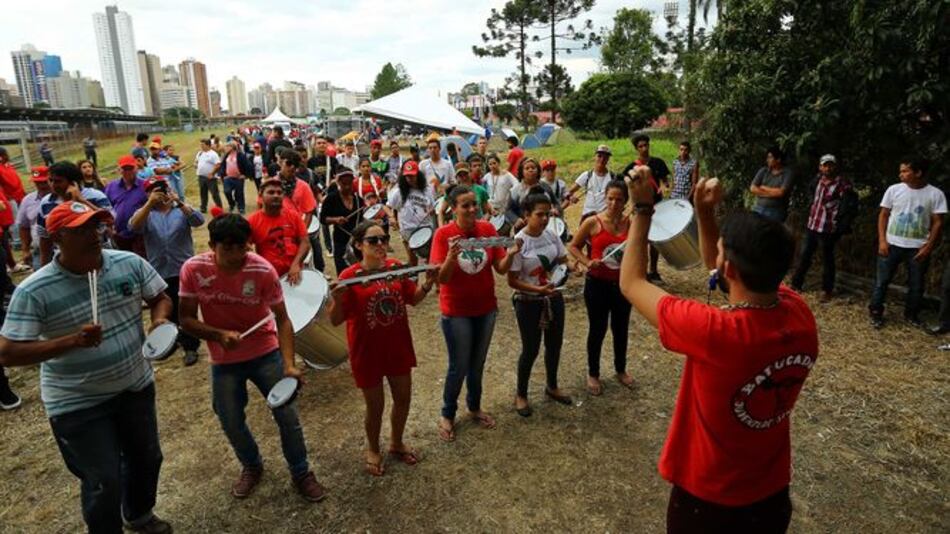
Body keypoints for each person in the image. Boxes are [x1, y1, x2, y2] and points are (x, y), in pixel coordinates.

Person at [619, 169, 818, 534]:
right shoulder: (800, 315)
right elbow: (723, 271)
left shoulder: (715, 333)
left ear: (728, 267)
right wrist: (705, 214)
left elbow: (631, 282)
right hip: (771, 495)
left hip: (708, 502)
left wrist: (644, 208)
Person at [0, 201, 174, 534]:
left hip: (135, 385)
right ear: (58, 237)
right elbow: (7, 353)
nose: (95, 235)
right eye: (82, 229)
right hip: (77, 401)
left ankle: (138, 514)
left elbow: (160, 297)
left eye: (96, 226)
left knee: (147, 459)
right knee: (103, 479)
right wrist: (71, 341)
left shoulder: (129, 264)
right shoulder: (34, 289)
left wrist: (160, 320)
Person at [178, 214, 326, 502]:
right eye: (227, 249)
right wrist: (219, 335)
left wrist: (289, 364)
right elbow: (185, 319)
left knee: (287, 416)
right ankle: (252, 465)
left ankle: (301, 471)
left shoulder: (262, 269)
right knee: (230, 420)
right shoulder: (193, 269)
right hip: (224, 360)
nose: (235, 256)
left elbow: (283, 320)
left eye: (242, 248)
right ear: (212, 245)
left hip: (265, 352)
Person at [328, 220, 435, 476]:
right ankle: (373, 448)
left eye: (384, 239)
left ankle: (396, 443)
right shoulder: (349, 276)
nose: (380, 244)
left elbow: (414, 299)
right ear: (357, 245)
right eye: (373, 240)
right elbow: (335, 319)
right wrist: (338, 299)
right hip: (367, 351)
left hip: (397, 346)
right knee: (375, 406)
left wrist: (428, 283)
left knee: (403, 399)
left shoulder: (396, 268)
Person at [429, 185, 517, 442]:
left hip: (486, 308)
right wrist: (451, 257)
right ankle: (448, 413)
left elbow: (500, 268)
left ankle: (474, 407)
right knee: (459, 366)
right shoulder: (443, 235)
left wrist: (510, 255)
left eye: (474, 204)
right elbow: (441, 279)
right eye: (465, 205)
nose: (471, 209)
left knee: (477, 364)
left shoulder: (488, 230)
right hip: (456, 312)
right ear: (453, 208)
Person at [507, 188, 571, 417]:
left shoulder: (552, 235)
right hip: (528, 303)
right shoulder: (519, 242)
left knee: (554, 344)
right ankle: (521, 394)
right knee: (531, 349)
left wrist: (573, 269)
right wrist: (538, 289)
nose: (545, 219)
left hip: (554, 298)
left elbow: (563, 260)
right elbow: (512, 281)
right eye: (539, 214)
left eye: (547, 214)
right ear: (526, 214)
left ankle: (552, 386)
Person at [129, 176, 205, 367]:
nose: (160, 193)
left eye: (162, 188)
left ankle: (190, 346)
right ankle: (172, 340)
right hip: (160, 271)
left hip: (182, 269)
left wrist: (179, 202)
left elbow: (198, 221)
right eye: (154, 190)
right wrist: (149, 204)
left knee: (185, 309)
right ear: (147, 193)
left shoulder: (179, 210)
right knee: (167, 308)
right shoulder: (145, 213)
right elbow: (133, 227)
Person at [567, 180, 634, 395]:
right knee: (597, 328)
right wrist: (587, 262)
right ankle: (593, 373)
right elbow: (574, 246)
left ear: (626, 202)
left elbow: (637, 250)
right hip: (597, 284)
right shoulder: (593, 222)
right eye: (610, 198)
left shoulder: (630, 224)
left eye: (619, 199)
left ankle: (620, 369)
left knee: (621, 328)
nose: (614, 203)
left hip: (622, 285)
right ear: (605, 198)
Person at [869, 157, 946, 328]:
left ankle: (911, 314)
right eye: (901, 171)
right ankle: (875, 311)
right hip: (891, 244)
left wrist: (928, 246)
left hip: (917, 248)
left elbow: (938, 222)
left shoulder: (935, 194)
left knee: (916, 284)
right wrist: (882, 240)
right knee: (882, 281)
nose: (901, 174)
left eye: (905, 171)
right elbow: (883, 214)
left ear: (918, 173)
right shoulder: (894, 190)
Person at [790, 154, 858, 301]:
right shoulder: (817, 180)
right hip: (813, 224)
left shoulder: (842, 185)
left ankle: (826, 290)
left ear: (835, 166)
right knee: (805, 255)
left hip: (829, 227)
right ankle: (796, 284)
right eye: (825, 165)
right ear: (820, 167)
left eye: (830, 165)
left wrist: (842, 225)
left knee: (828, 259)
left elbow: (849, 206)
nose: (828, 168)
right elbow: (812, 196)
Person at [37, 161, 112, 267]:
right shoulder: (46, 203)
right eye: (51, 180)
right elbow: (44, 237)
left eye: (58, 181)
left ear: (73, 182)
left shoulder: (96, 196)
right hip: (66, 260)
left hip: (99, 256)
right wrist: (44, 266)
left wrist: (81, 201)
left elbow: (109, 222)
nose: (53, 185)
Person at [622, 134, 672, 283]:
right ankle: (641, 271)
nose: (644, 148)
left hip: (657, 207)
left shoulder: (658, 163)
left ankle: (654, 271)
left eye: (646, 145)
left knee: (655, 241)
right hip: (640, 209)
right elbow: (625, 186)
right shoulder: (631, 168)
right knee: (641, 239)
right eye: (641, 146)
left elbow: (665, 181)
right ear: (636, 149)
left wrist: (665, 187)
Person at [247, 179, 310, 283]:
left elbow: (305, 242)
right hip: (268, 277)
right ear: (260, 195)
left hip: (294, 274)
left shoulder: (293, 216)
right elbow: (245, 246)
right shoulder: (253, 221)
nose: (276, 195)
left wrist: (296, 264)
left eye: (279, 193)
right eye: (271, 192)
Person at [387, 161, 435, 266]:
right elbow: (387, 206)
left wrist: (432, 211)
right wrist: (391, 217)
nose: (409, 179)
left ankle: (429, 282)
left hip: (426, 229)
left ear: (418, 174)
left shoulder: (427, 190)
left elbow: (432, 207)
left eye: (412, 176)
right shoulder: (398, 192)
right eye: (407, 176)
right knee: (413, 262)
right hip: (408, 232)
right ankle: (414, 281)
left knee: (431, 261)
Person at [320, 169, 363, 275]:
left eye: (350, 183)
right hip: (341, 242)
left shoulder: (358, 199)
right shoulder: (331, 198)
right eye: (344, 184)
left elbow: (361, 219)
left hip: (358, 241)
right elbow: (322, 218)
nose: (347, 187)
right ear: (338, 182)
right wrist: (335, 220)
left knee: (360, 271)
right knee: (344, 272)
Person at [105, 155, 149, 257]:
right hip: (119, 235)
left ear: (136, 168)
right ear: (119, 170)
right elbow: (107, 207)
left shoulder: (145, 185)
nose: (128, 171)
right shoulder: (111, 187)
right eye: (125, 169)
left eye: (131, 168)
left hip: (140, 235)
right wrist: (110, 227)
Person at [15, 167, 52, 271]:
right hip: (38, 251)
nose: (41, 186)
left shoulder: (62, 196)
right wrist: (25, 250)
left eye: (44, 182)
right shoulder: (28, 200)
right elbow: (24, 227)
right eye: (37, 183)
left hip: (63, 250)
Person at [566, 145, 615, 221]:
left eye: (605, 157)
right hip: (587, 217)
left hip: (605, 218)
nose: (602, 159)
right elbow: (569, 192)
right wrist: (571, 197)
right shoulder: (587, 175)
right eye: (599, 156)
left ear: (608, 159)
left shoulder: (613, 178)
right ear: (594, 157)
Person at [749, 146, 794, 223]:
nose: (768, 160)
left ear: (778, 159)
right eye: (767, 158)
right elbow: (752, 188)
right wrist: (772, 193)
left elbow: (781, 192)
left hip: (775, 211)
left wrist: (763, 188)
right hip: (758, 208)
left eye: (770, 158)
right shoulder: (763, 171)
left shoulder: (787, 173)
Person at [217, 140, 253, 214]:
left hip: (238, 178)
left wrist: (245, 175)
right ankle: (232, 204)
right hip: (228, 178)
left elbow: (248, 165)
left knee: (239, 193)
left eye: (227, 146)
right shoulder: (226, 156)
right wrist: (222, 175)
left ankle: (241, 207)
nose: (226, 148)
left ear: (232, 147)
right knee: (227, 191)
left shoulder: (240, 155)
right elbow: (223, 166)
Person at [483, 153, 518, 221]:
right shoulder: (487, 176)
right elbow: (482, 188)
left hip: (503, 208)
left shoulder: (507, 175)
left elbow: (516, 184)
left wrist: (510, 195)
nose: (493, 166)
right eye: (490, 164)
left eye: (494, 163)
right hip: (491, 207)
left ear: (498, 163)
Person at [195, 138, 224, 213]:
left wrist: (212, 173)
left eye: (203, 144)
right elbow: (196, 161)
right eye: (200, 144)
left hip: (210, 177)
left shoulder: (213, 154)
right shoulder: (200, 153)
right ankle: (203, 208)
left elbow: (218, 165)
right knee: (203, 193)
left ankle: (219, 208)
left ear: (208, 145)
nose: (201, 146)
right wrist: (196, 164)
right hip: (201, 177)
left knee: (214, 193)